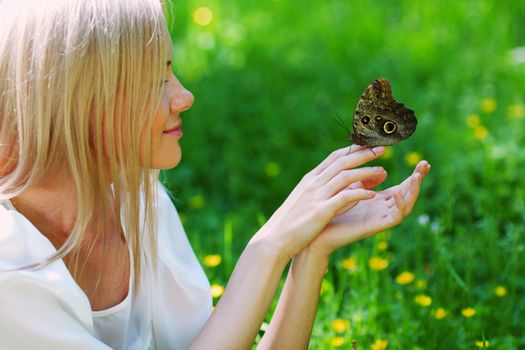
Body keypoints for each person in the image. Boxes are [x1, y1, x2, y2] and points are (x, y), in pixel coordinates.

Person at [0, 0, 430, 349]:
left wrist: (310, 251)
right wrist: (267, 248)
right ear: (77, 104)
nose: (184, 96)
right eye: (154, 80)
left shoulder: (140, 202)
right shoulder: (10, 275)